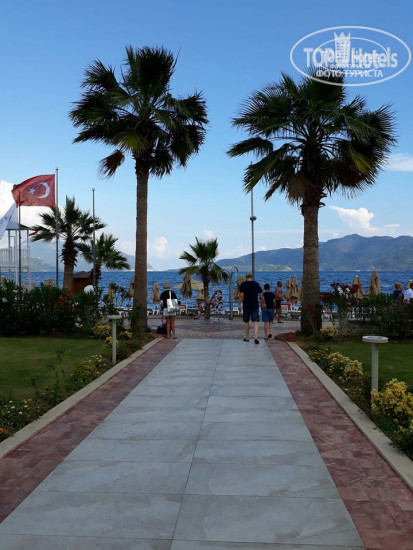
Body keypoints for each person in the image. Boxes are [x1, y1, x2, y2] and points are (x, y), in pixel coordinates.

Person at [238, 273, 265, 344]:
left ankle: (247, 337)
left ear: (246, 277)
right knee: (255, 321)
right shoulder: (256, 284)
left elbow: (241, 295)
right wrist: (264, 303)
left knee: (246, 321)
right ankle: (256, 337)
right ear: (252, 277)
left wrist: (239, 305)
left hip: (246, 305)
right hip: (255, 305)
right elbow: (261, 295)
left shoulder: (243, 284)